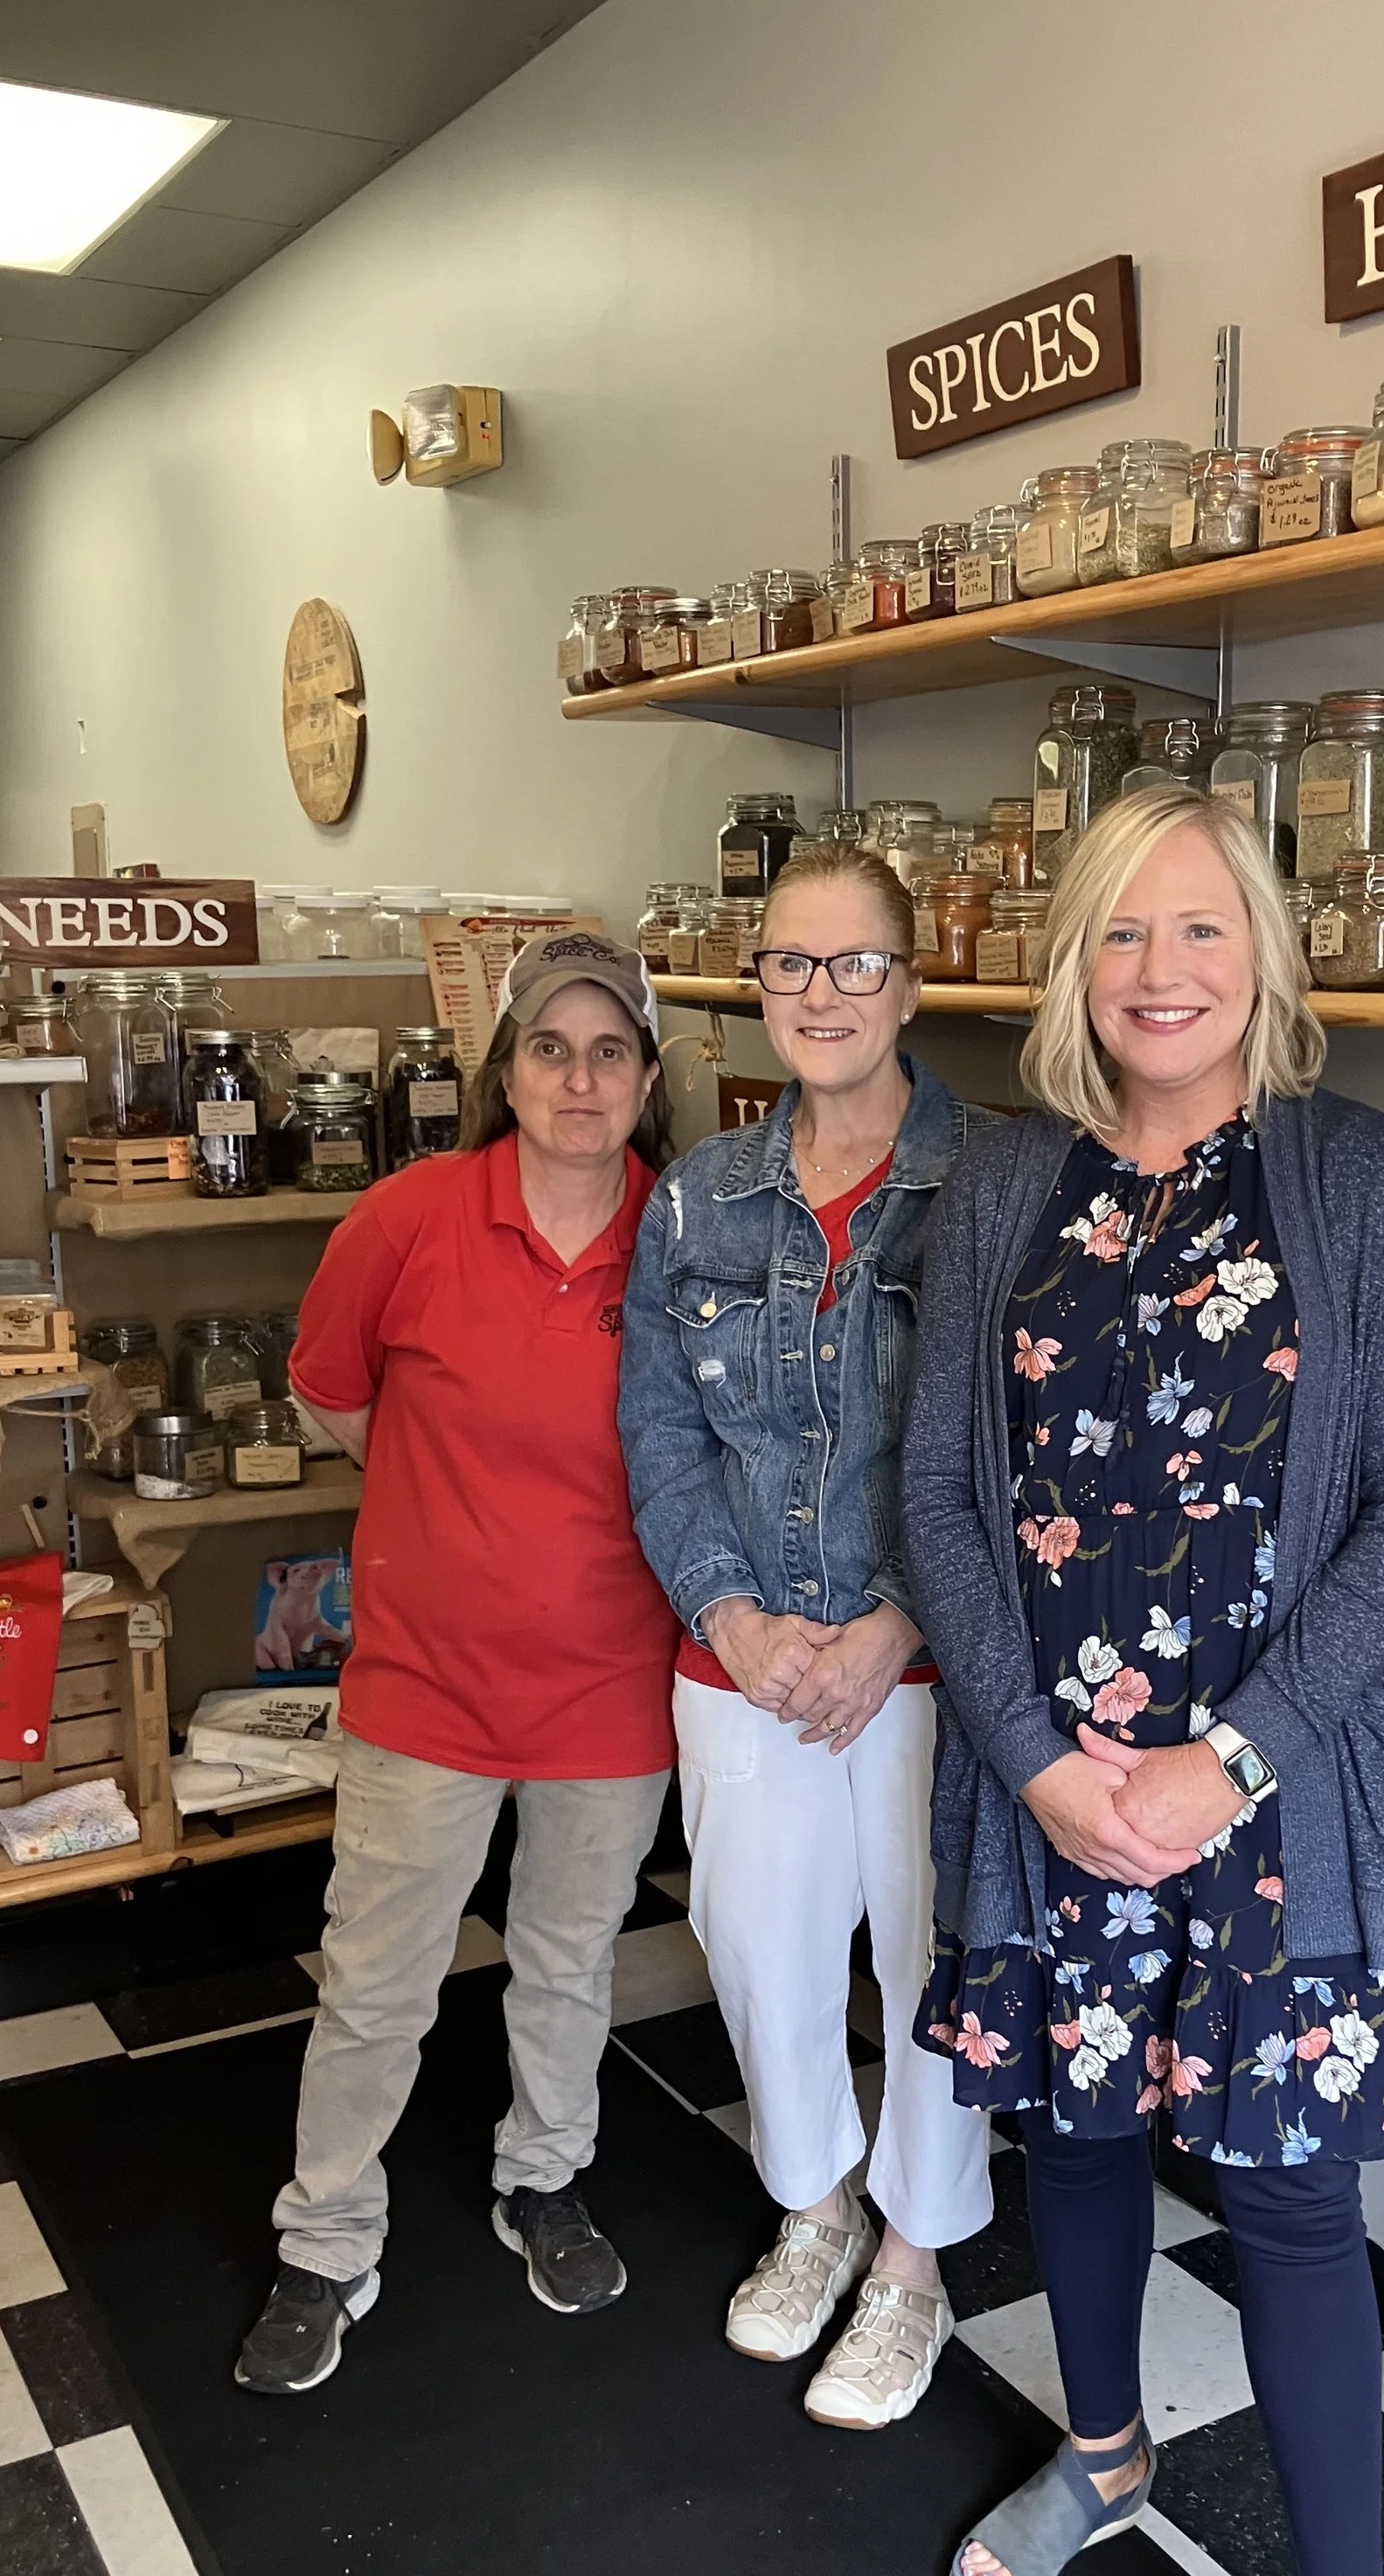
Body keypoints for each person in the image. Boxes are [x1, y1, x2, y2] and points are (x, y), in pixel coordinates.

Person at [905, 788, 1384, 2576]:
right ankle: (1107, 2451)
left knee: (1295, 2212)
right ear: (1072, 958)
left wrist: (1218, 1760)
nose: (1158, 970)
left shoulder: (1351, 1176)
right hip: (1049, 1795)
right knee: (1070, 2140)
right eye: (1120, 931)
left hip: (1263, 1804)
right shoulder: (1007, 1181)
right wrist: (1043, 1766)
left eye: (1200, 928)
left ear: (1264, 949)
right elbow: (939, 1503)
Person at [236, 933, 681, 2394]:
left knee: (565, 1963)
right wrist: (450, 1529)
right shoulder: (410, 1219)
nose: (578, 1077)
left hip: (613, 1686)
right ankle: (326, 2237)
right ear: (503, 1071)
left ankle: (542, 2178)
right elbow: (334, 1399)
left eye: (609, 1050)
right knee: (377, 1978)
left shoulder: (684, 1237)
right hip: (424, 1686)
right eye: (549, 1048)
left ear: (648, 1077)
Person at [619, 843, 991, 2431]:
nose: (822, 994)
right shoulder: (702, 1199)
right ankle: (816, 2209)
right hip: (743, 1660)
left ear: (907, 986)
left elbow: (1017, 1444)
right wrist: (735, 1615)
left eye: (855, 965)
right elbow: (657, 1434)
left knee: (934, 1966)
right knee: (764, 1959)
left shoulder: (998, 1181)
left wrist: (896, 1616)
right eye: (791, 965)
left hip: (930, 1667)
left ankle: (912, 2262)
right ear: (753, 986)